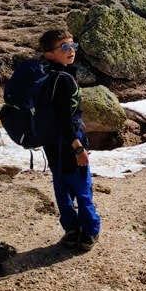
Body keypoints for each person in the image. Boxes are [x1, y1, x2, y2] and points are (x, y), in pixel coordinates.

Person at [39, 28, 101, 251]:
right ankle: (90, 232)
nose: (71, 51)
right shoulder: (63, 80)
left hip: (51, 144)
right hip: (69, 143)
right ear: (49, 54)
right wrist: (77, 147)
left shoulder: (45, 75)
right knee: (83, 189)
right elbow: (64, 117)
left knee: (62, 188)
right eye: (64, 47)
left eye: (73, 46)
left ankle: (72, 230)